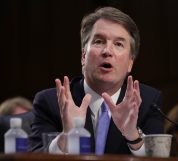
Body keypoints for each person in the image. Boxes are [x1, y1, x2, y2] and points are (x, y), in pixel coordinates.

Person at [29, 7, 164, 155]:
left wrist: (132, 136)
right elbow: (34, 156)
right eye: (99, 41)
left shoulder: (148, 102)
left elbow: (158, 157)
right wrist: (66, 136)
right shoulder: (51, 102)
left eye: (118, 44)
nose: (107, 51)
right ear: (83, 56)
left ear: (130, 62)